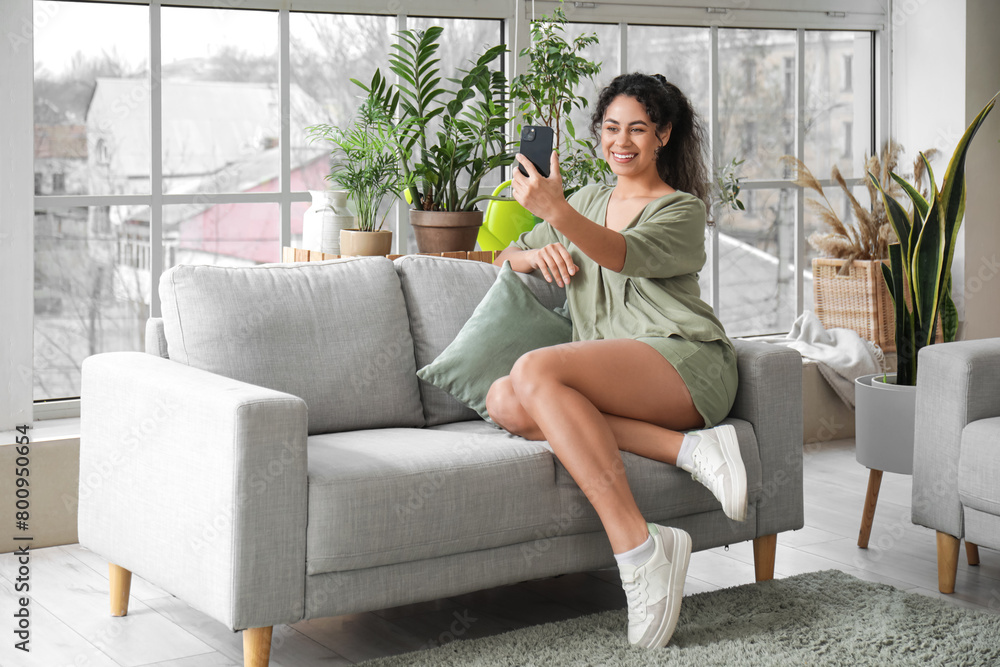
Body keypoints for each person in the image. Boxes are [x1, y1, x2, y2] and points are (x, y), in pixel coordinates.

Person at [486, 73, 746, 649]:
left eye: (637, 129)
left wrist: (558, 217)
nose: (621, 141)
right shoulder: (587, 201)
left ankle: (638, 549)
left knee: (533, 372)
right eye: (610, 128)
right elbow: (505, 252)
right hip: (617, 372)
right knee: (503, 399)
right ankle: (685, 450)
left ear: (663, 136)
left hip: (684, 362)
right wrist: (538, 253)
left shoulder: (680, 210)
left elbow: (621, 254)